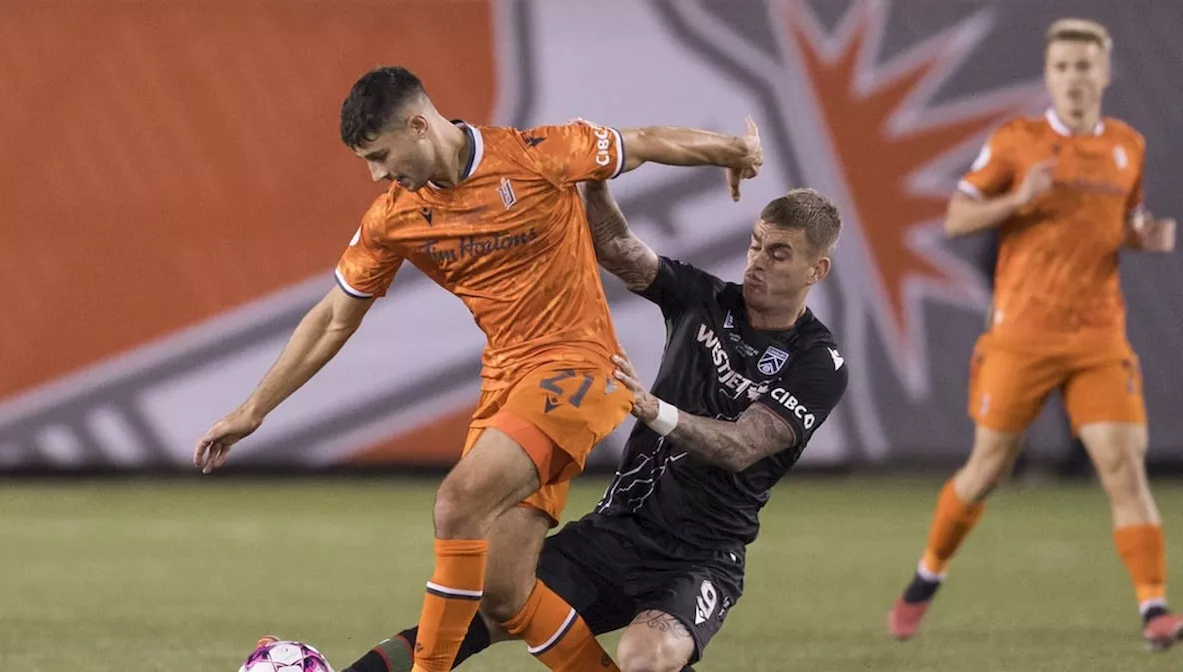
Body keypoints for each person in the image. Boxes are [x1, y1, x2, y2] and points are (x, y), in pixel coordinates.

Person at [195, 65, 764, 672]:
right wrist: (254, 409)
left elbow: (644, 141)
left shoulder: (538, 155)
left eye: (381, 155)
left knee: (457, 503)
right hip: (508, 385)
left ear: (419, 124)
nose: (377, 174)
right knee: (506, 594)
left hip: (581, 368)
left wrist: (734, 150)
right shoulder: (393, 217)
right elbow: (335, 317)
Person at [336, 181, 848, 672]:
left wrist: (655, 412)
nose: (758, 261)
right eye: (756, 245)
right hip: (616, 532)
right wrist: (598, 181)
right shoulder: (705, 299)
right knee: (486, 607)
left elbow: (742, 446)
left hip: (702, 557)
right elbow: (619, 247)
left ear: (816, 269)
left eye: (779, 253)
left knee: (645, 656)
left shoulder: (818, 363)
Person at [886, 18, 1181, 651]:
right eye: (1064, 66)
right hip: (1021, 335)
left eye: (1085, 65)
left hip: (1100, 336)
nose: (1075, 76)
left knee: (1124, 469)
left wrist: (1142, 234)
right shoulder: (1017, 141)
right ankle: (926, 575)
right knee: (987, 469)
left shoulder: (1128, 145)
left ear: (1105, 74)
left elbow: (1116, 223)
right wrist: (1018, 199)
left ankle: (1155, 610)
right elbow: (959, 215)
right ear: (1049, 77)